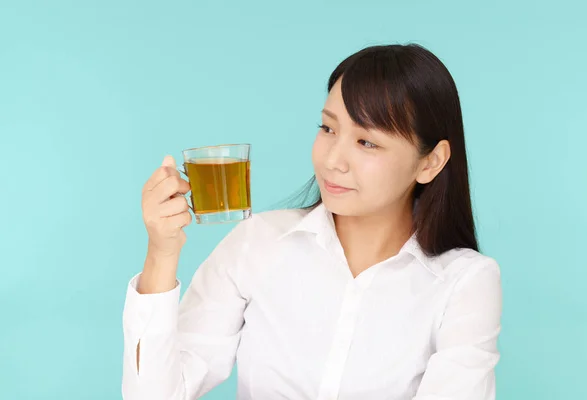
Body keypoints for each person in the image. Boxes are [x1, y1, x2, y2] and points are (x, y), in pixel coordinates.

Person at [121, 43, 502, 400]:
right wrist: (161, 253)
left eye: (367, 142)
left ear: (430, 162)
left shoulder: (465, 282)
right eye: (328, 128)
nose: (333, 159)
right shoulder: (257, 243)